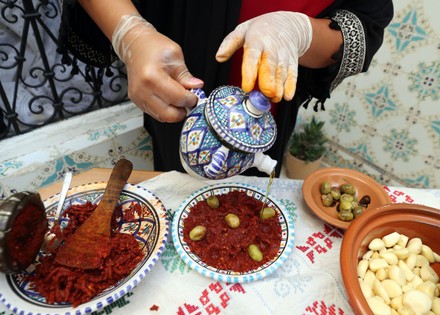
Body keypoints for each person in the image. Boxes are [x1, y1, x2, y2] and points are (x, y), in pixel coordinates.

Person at [58, 0, 393, 177]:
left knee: (253, 183)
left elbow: (364, 19)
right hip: (178, 77)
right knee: (175, 164)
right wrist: (129, 33)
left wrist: (299, 31)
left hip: (273, 101)